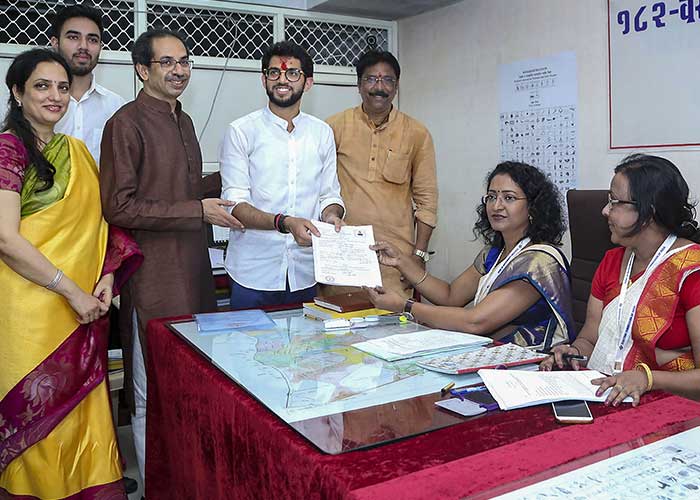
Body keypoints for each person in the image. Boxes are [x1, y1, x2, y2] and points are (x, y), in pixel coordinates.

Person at [99, 28, 241, 484]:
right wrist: (196, 209)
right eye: (167, 62)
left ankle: (188, 479)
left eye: (184, 61)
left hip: (195, 272)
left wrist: (234, 181)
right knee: (150, 394)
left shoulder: (183, 121)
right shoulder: (126, 123)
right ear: (142, 69)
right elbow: (119, 206)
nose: (180, 70)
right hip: (153, 279)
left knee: (189, 387)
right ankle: (158, 487)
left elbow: (181, 192)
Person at [0, 49, 140, 498]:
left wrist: (105, 278)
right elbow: (5, 238)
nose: (56, 96)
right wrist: (71, 292)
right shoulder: (7, 149)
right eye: (42, 86)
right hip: (29, 311)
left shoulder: (76, 151)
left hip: (81, 304)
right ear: (17, 92)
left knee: (82, 411)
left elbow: (101, 223)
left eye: (62, 87)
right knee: (36, 413)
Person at [541, 154, 700, 405]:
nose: (605, 211)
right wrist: (574, 352)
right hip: (602, 394)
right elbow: (589, 337)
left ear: (649, 211)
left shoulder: (692, 270)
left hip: (667, 406)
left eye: (614, 202)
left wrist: (648, 379)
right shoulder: (611, 261)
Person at [366, 161, 574, 348]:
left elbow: (475, 321)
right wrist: (401, 261)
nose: (496, 205)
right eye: (491, 197)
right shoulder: (494, 253)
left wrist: (404, 306)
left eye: (508, 198)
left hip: (530, 362)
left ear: (533, 207)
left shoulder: (539, 262)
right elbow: (450, 297)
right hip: (492, 350)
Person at [219, 41, 344, 308]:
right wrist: (285, 223)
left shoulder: (321, 133)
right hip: (253, 273)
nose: (282, 80)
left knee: (306, 349)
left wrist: (332, 217)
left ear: (307, 83)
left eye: (292, 73)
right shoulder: (241, 131)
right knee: (247, 349)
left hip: (305, 272)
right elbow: (235, 205)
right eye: (274, 73)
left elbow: (329, 195)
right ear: (264, 79)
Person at [325, 50, 438, 298]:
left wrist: (418, 256)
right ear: (358, 84)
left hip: (395, 260)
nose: (379, 87)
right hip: (344, 255)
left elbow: (426, 201)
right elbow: (319, 189)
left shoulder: (417, 133)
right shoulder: (333, 127)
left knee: (393, 330)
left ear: (396, 87)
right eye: (371, 79)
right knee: (339, 332)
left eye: (387, 80)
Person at [51, 3, 126, 164]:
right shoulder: (36, 102)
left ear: (100, 47)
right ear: (55, 43)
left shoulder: (116, 107)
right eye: (73, 37)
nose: (83, 46)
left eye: (92, 39)